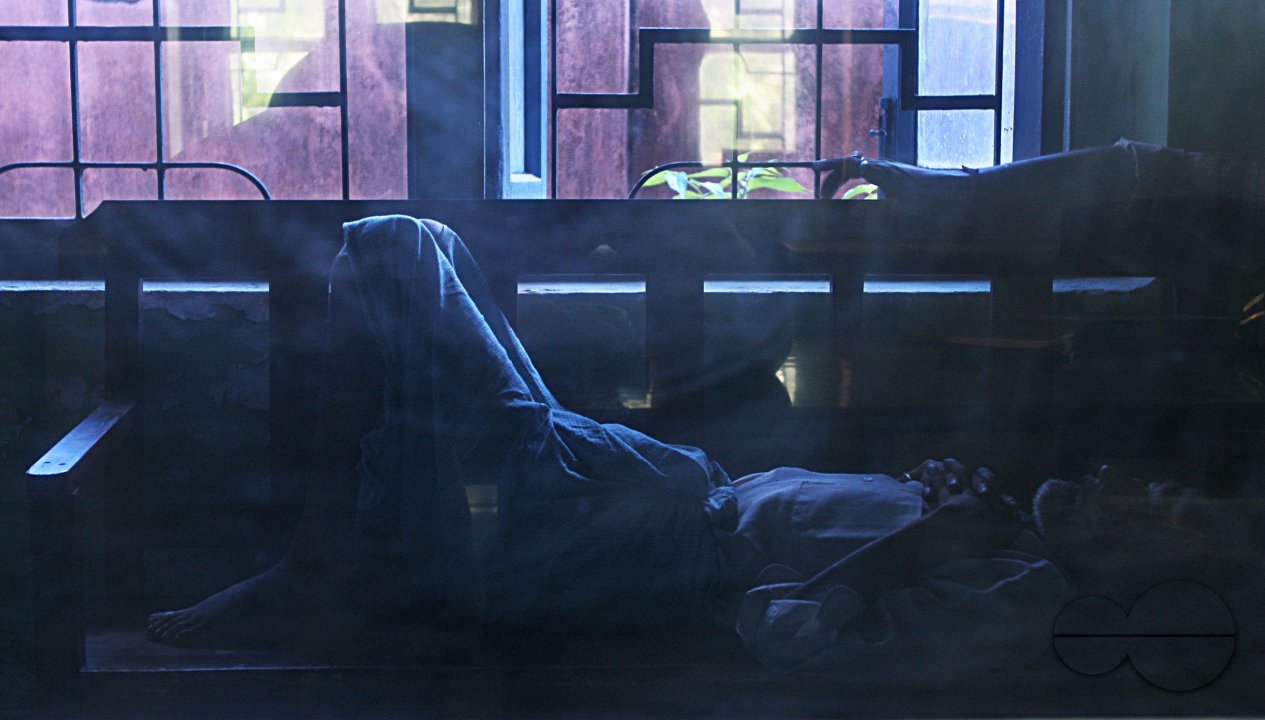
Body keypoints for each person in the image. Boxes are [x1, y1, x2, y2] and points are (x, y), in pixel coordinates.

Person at [147, 142, 1262, 676]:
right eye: (1155, 484)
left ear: (1151, 573)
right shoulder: (1013, 539)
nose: (1125, 481)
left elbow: (784, 632)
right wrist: (923, 499)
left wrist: (918, 541)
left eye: (1156, 506)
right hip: (659, 486)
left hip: (620, 547)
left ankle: (327, 558)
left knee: (401, 250)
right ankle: (336, 551)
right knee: (421, 255)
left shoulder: (1025, 599)